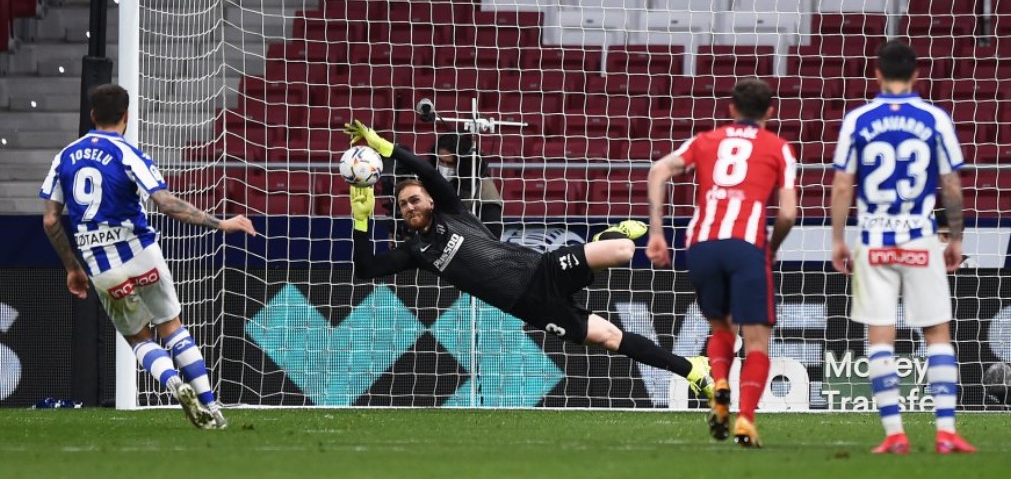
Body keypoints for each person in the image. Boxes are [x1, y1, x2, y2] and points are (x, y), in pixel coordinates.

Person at [344, 120, 714, 399]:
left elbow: (425, 171)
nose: (410, 207)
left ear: (430, 201)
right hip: (530, 308)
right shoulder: (416, 252)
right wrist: (361, 218)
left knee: (624, 250)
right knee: (610, 337)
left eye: (415, 200)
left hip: (541, 271)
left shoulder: (451, 211)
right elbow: (366, 269)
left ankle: (608, 236)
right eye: (405, 205)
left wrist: (380, 145)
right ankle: (692, 370)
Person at [39, 84, 257, 429]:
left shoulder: (65, 156)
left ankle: (172, 383)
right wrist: (221, 223)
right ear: (127, 116)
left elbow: (51, 218)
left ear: (92, 115)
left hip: (101, 265)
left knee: (139, 338)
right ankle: (212, 405)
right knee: (172, 328)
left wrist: (72, 268)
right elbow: (166, 203)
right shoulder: (128, 153)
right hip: (141, 253)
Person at [830, 40, 975, 454]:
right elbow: (950, 184)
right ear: (915, 75)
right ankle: (946, 431)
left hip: (873, 239)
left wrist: (839, 238)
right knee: (936, 332)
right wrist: (957, 237)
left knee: (881, 336)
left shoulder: (858, 119)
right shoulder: (934, 118)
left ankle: (894, 433)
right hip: (920, 236)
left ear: (877, 73)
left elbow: (842, 183)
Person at [646, 77, 798, 449]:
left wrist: (656, 233)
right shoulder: (778, 148)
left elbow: (658, 171)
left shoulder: (706, 140)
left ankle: (721, 386)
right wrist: (771, 247)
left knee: (721, 328)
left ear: (730, 109)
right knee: (757, 340)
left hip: (701, 245)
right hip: (746, 245)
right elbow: (789, 214)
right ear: (770, 112)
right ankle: (745, 418)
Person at [430, 133, 504, 239]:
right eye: (441, 161)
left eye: (450, 163)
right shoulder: (432, 180)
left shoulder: (484, 186)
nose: (444, 167)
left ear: (463, 163)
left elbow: (494, 232)